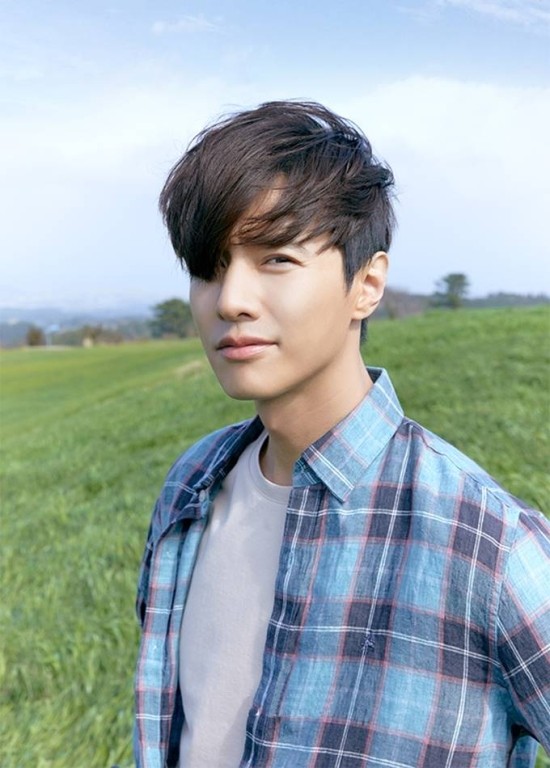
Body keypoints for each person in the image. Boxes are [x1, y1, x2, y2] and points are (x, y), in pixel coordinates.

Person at [134, 101, 550, 768]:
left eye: (276, 258)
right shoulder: (190, 489)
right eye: (208, 267)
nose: (230, 299)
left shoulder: (488, 543)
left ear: (367, 284)